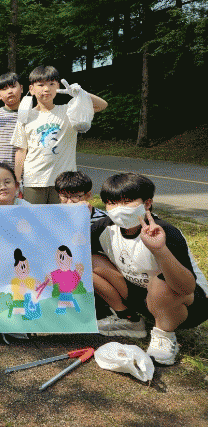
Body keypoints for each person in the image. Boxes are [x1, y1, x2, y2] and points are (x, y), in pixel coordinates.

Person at [92, 173, 208, 365]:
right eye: (112, 203)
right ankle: (129, 319)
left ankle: (164, 335)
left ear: (147, 203)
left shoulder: (165, 232)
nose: (119, 209)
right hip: (144, 296)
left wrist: (160, 250)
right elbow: (73, 248)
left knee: (159, 282)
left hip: (191, 304)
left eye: (127, 202)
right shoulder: (105, 227)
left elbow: (186, 288)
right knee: (89, 260)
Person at [11, 65, 108, 204]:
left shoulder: (69, 111)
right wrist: (16, 179)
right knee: (34, 216)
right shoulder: (25, 117)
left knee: (61, 216)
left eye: (52, 84)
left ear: (58, 86)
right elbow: (21, 150)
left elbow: (102, 105)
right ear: (31, 89)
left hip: (64, 181)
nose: (46, 89)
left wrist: (81, 94)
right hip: (34, 180)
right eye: (41, 85)